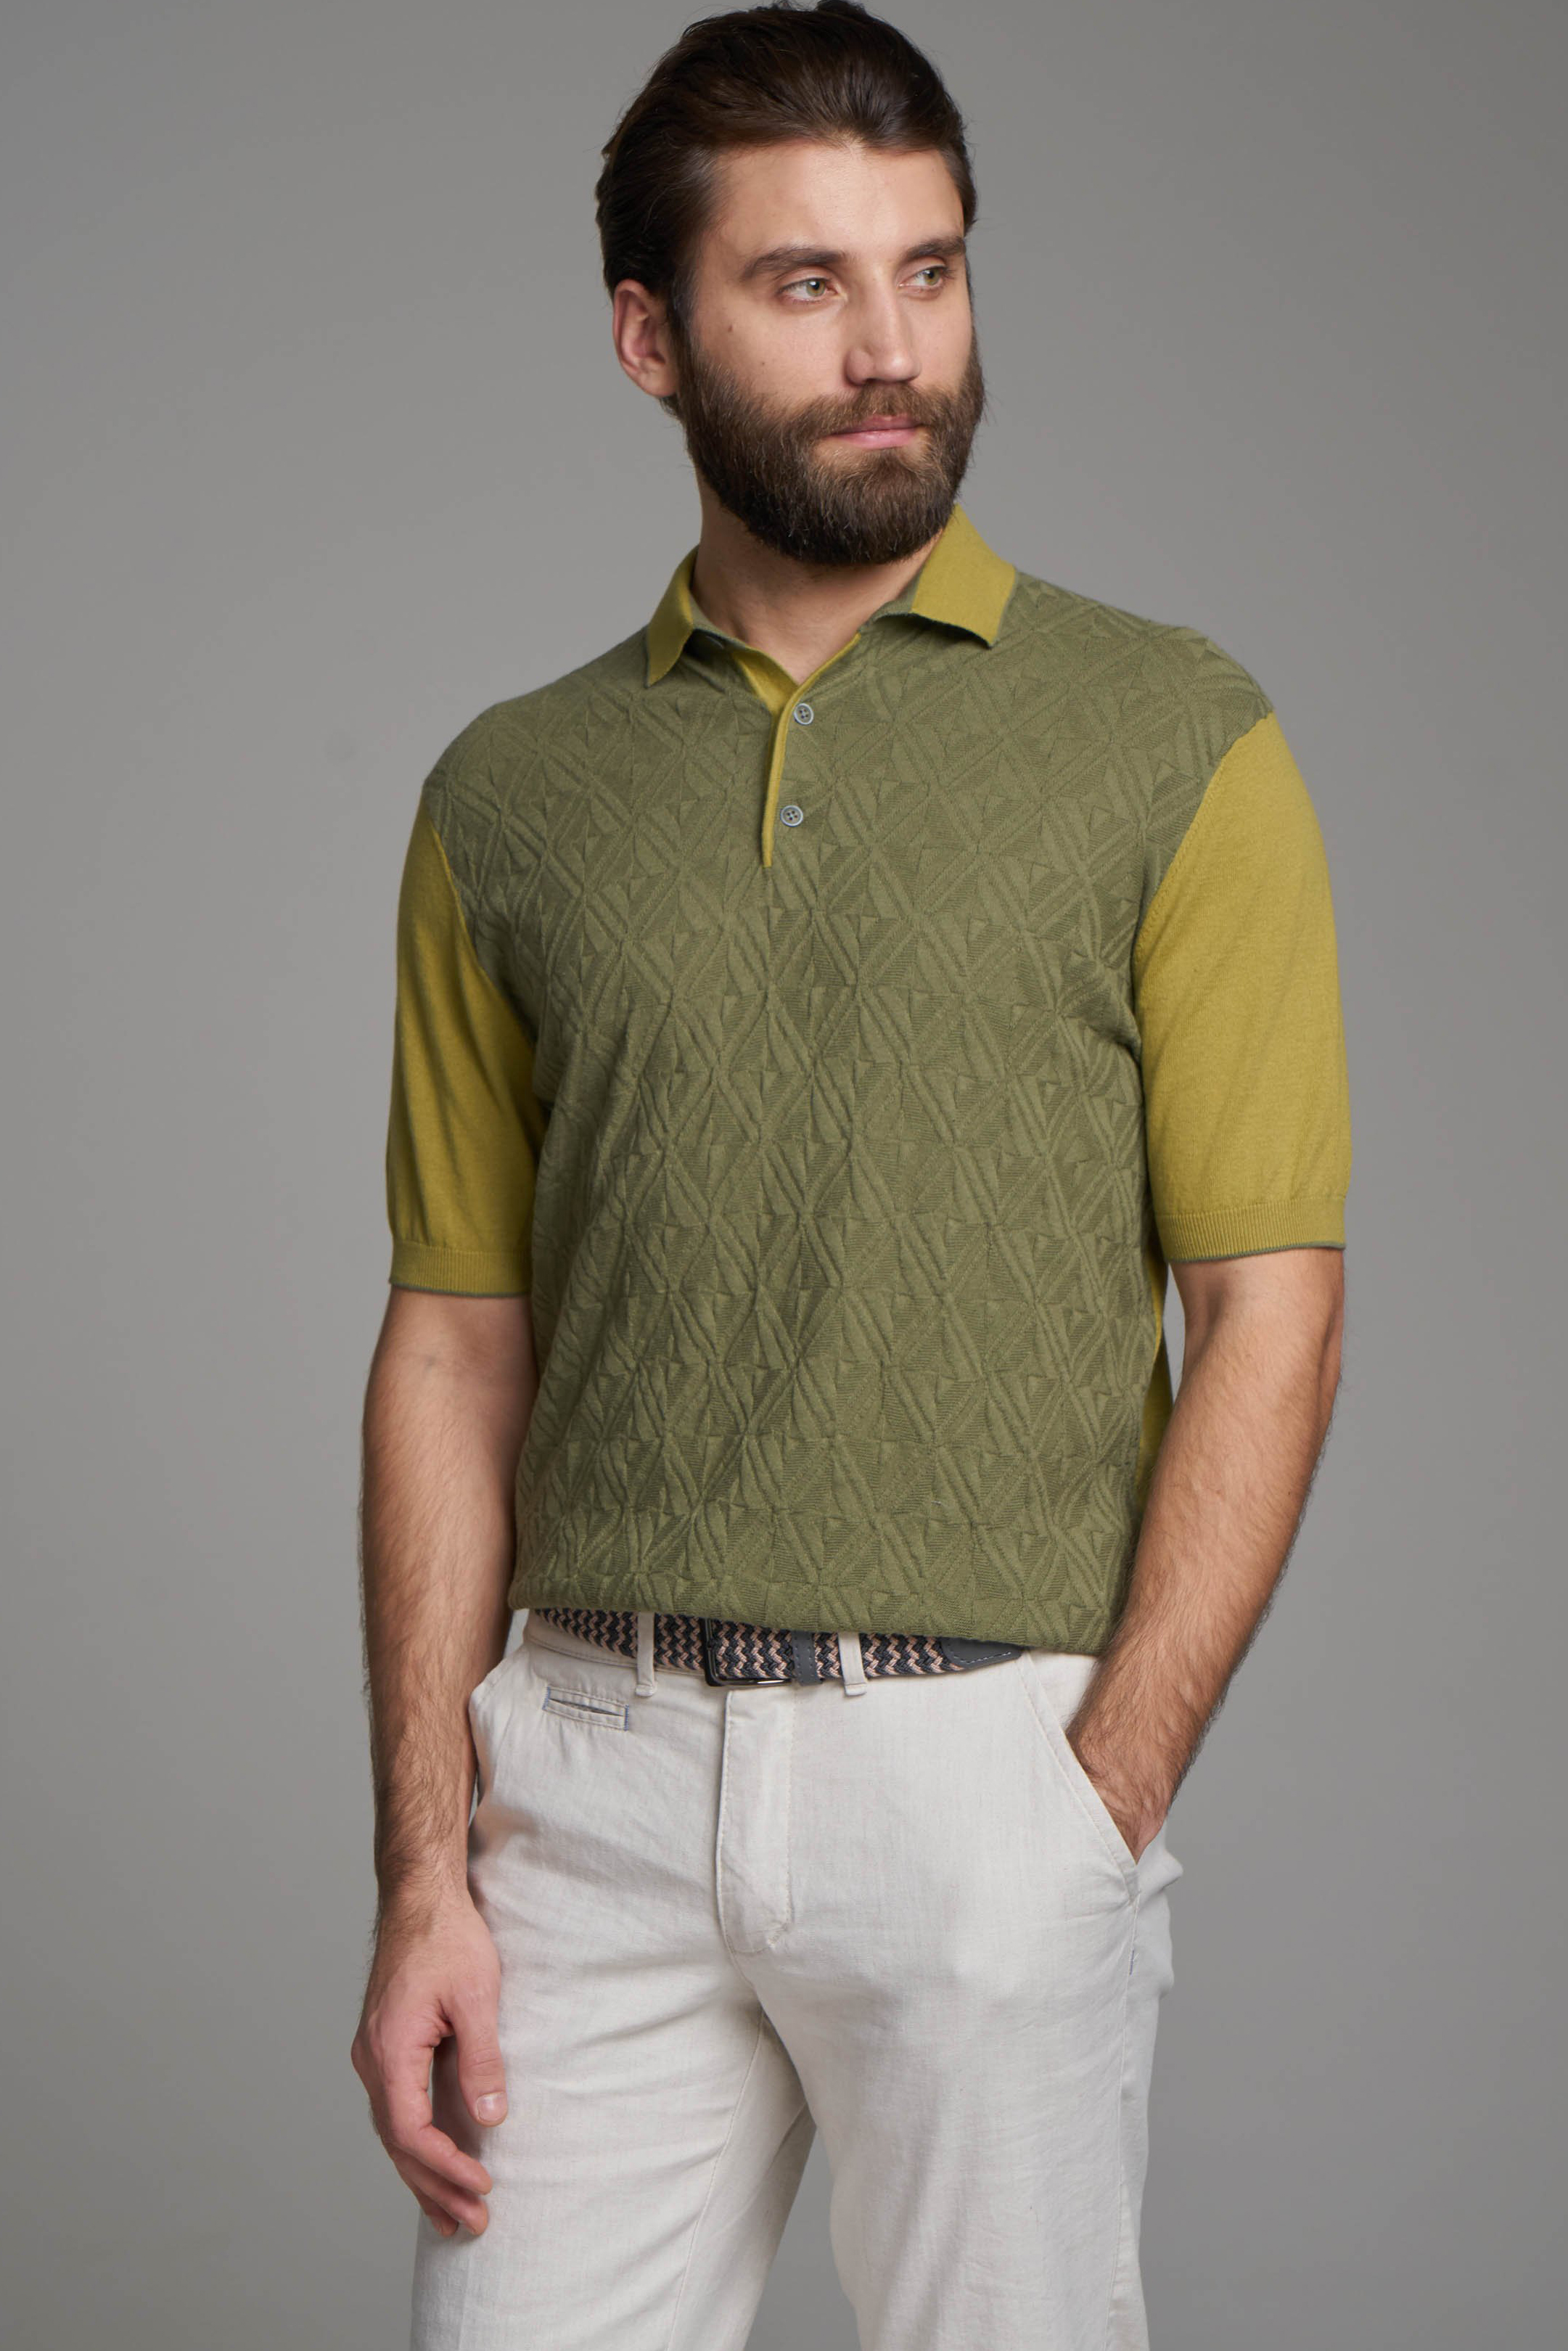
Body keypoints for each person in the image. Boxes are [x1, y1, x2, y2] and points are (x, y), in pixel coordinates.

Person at [350, 4, 1352, 2344]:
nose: (891, 346)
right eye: (802, 283)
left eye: (928, 269)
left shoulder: (1170, 737)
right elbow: (450, 1348)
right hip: (585, 1786)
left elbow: (1271, 1310)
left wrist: (1095, 1794)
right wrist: (425, 1872)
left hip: (981, 1777)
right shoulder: (509, 796)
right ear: (649, 338)